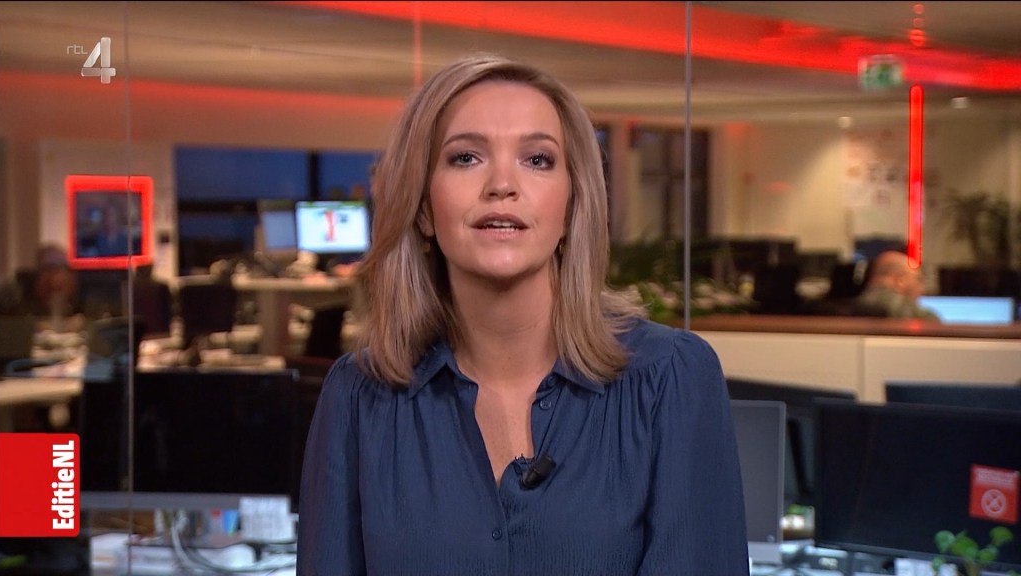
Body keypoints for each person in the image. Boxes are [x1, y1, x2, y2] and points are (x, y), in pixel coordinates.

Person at [297, 53, 749, 575]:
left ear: (572, 205)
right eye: (466, 157)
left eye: (537, 159)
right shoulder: (359, 395)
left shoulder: (671, 376)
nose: (502, 184)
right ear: (422, 207)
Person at [855, 250, 940, 320]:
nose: (922, 289)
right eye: (918, 279)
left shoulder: (853, 310)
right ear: (900, 280)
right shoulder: (919, 317)